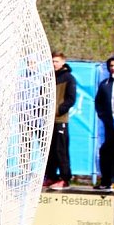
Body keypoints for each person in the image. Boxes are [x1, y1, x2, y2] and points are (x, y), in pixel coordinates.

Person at [94, 54, 114, 191]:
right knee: (107, 151)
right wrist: (104, 117)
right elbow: (98, 103)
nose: (113, 68)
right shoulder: (105, 84)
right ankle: (107, 180)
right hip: (110, 125)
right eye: (111, 66)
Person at [45, 51, 77, 190]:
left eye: (56, 61)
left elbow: (70, 99)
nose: (54, 64)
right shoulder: (48, 77)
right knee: (49, 151)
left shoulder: (69, 78)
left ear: (63, 62)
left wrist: (57, 110)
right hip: (47, 121)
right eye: (52, 61)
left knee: (60, 150)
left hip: (60, 119)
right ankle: (51, 176)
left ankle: (65, 178)